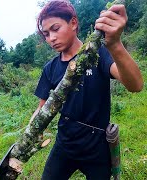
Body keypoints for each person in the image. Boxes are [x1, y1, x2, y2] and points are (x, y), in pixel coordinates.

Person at [32, 1, 143, 179]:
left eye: (55, 28)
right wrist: (31, 130)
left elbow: (135, 85)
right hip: (64, 144)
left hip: (96, 147)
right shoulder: (50, 68)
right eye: (46, 34)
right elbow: (42, 108)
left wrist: (114, 44)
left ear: (73, 23)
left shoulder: (98, 54)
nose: (51, 38)